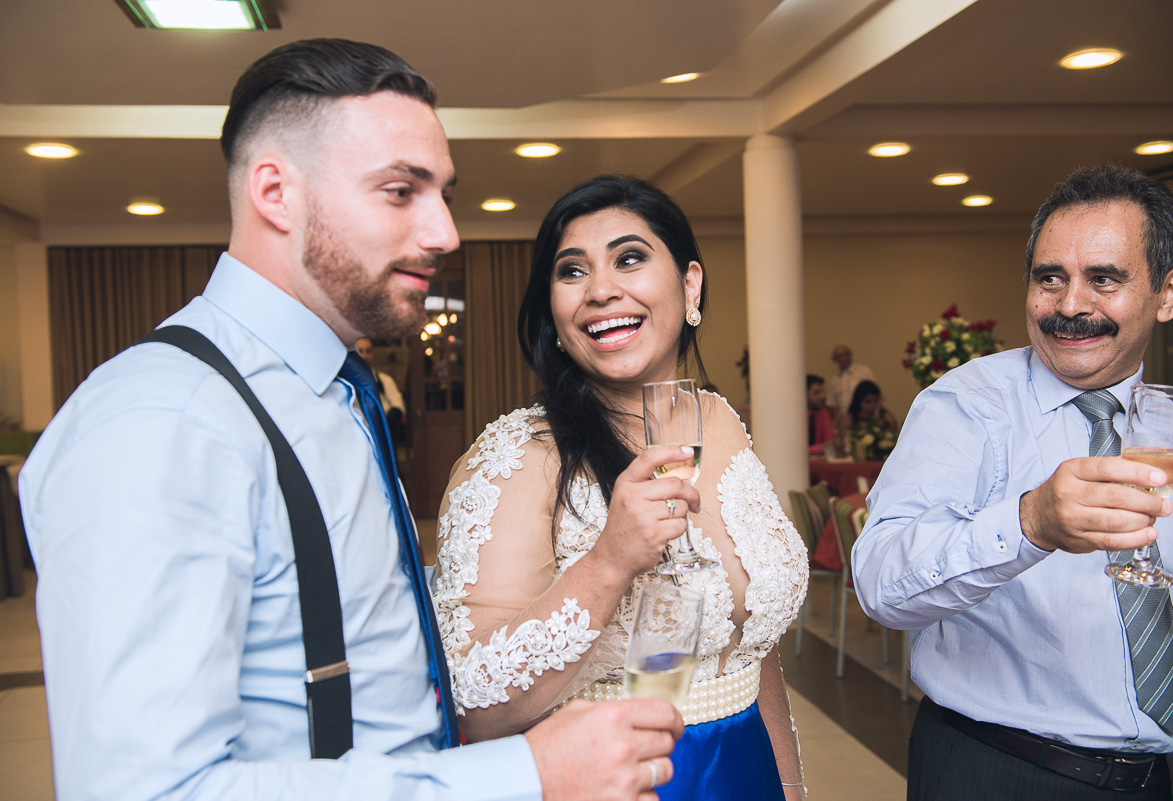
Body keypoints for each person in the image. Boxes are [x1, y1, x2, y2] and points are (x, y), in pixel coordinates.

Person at [19, 39, 682, 801]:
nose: (445, 233)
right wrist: (522, 775)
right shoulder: (164, 422)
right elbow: (145, 791)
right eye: (402, 191)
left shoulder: (335, 390)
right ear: (276, 192)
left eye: (445, 194)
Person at [432, 175, 809, 800]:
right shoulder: (518, 457)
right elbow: (475, 704)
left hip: (745, 773)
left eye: (629, 259)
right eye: (572, 271)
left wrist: (791, 785)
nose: (602, 290)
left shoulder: (718, 421)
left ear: (690, 285)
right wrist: (609, 562)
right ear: (553, 312)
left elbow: (749, 641)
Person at [852, 165, 1173, 800]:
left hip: (1160, 781)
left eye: (1103, 280)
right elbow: (879, 586)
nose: (1070, 306)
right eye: (1050, 279)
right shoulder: (966, 405)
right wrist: (1030, 523)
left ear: (1170, 293)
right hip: (999, 769)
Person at [356, 336, 408, 446]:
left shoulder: (385, 380)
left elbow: (398, 406)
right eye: (360, 351)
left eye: (368, 351)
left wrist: (383, 425)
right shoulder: (347, 382)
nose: (364, 355)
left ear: (373, 354)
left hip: (383, 435)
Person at [833, 380, 898, 443]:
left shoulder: (884, 416)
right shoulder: (847, 417)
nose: (872, 405)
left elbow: (892, 436)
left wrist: (877, 415)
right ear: (858, 402)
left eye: (875, 401)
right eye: (868, 402)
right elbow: (847, 441)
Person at [827, 343, 875, 415]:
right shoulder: (834, 380)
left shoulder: (864, 372)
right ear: (835, 359)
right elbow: (832, 404)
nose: (843, 358)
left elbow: (873, 394)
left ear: (850, 354)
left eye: (845, 354)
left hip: (863, 416)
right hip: (844, 419)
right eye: (839, 356)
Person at [806, 374, 835, 455]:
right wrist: (819, 448)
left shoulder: (822, 412)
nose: (823, 396)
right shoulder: (793, 417)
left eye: (823, 392)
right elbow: (794, 451)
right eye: (817, 393)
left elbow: (830, 442)